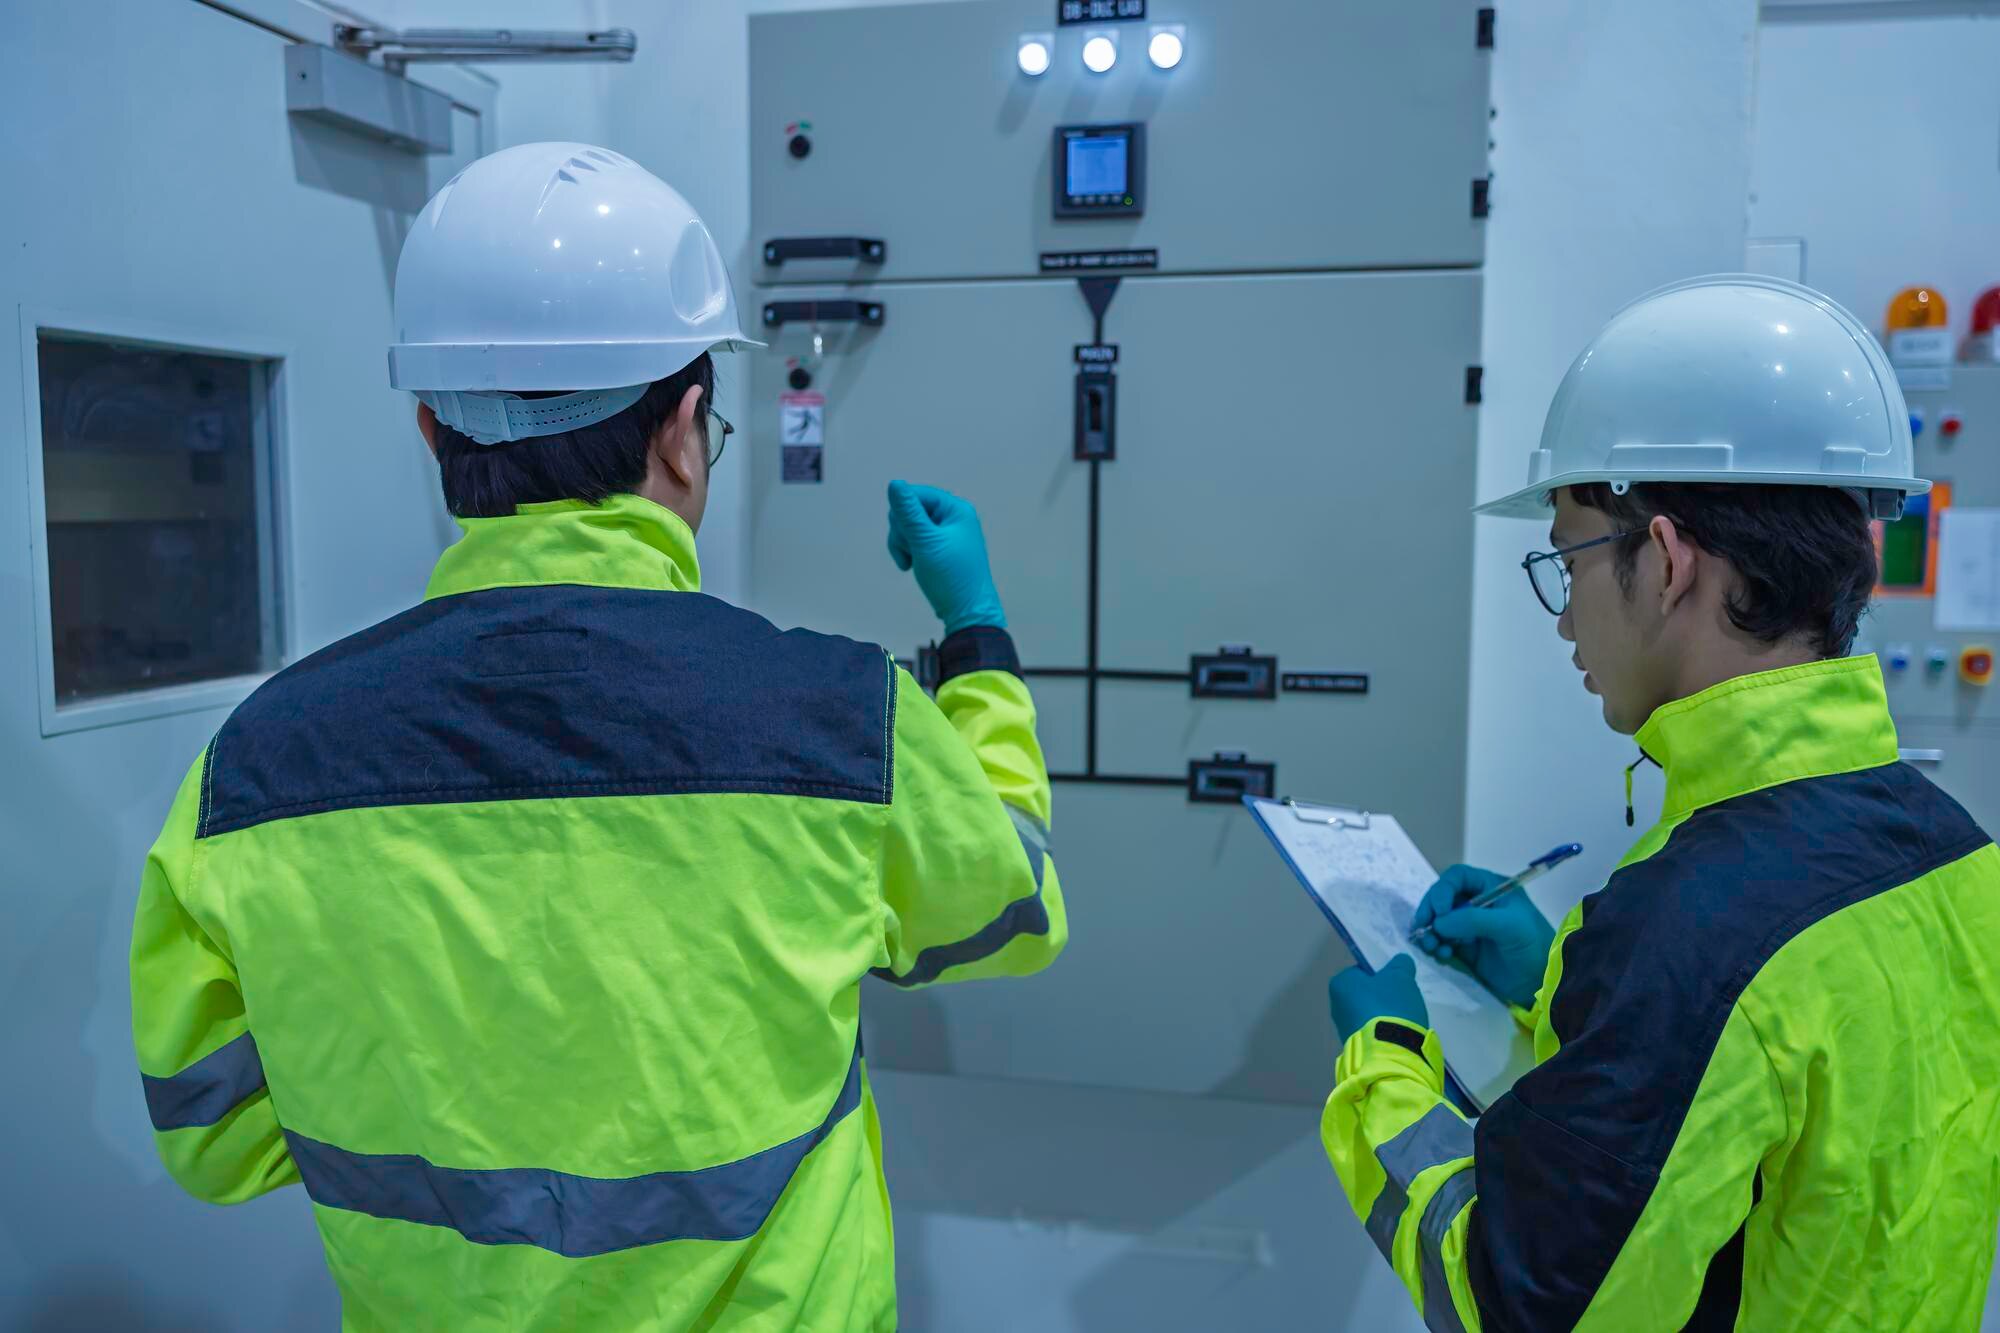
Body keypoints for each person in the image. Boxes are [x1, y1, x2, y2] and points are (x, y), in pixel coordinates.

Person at [128, 143, 1065, 1331]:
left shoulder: (250, 771)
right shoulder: (844, 720)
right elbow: (1015, 906)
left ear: (430, 432)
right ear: (682, 430)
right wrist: (974, 636)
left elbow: (214, 1142)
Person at [1321, 275, 2000, 1331]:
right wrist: (1557, 983)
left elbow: (1506, 1294)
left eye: (1566, 557)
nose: (1561, 622)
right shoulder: (1955, 853)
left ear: (1668, 558)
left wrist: (1384, 1066)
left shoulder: (1686, 935)